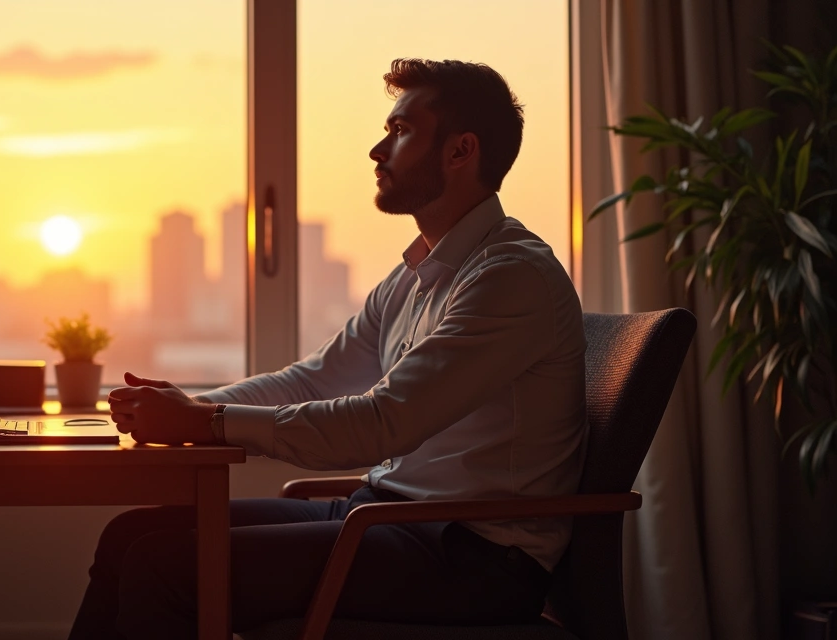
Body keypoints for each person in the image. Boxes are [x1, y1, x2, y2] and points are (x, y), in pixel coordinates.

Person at [68, 58, 586, 640]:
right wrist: (189, 408)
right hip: (385, 515)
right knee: (129, 536)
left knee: (162, 569)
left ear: (461, 151)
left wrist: (206, 421)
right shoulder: (418, 274)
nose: (376, 148)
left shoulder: (509, 277)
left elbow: (381, 424)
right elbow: (314, 381)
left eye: (400, 131)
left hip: (471, 556)